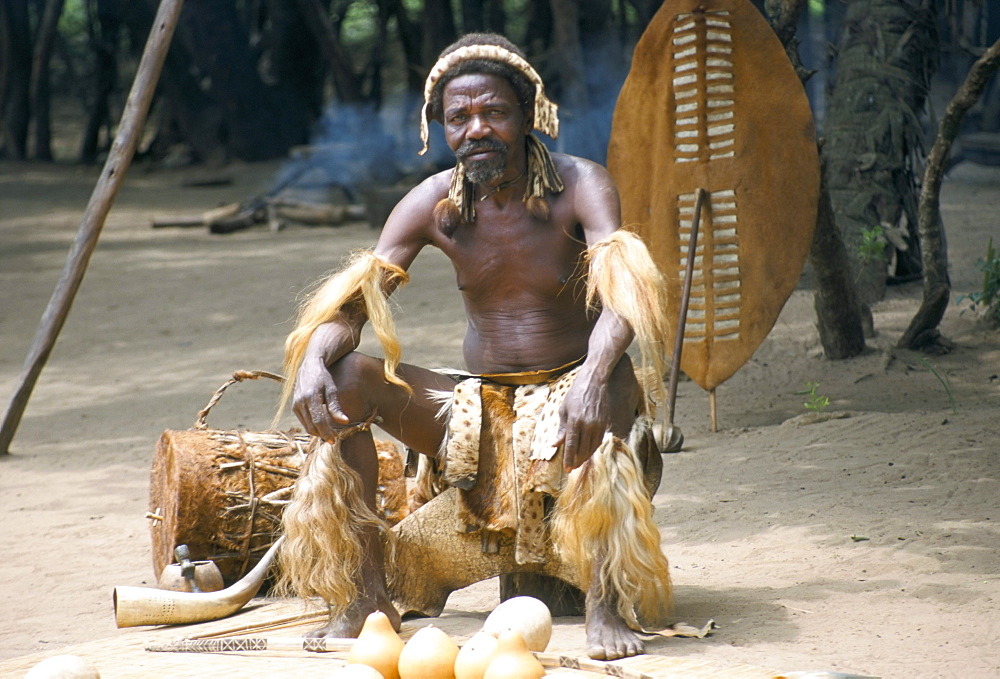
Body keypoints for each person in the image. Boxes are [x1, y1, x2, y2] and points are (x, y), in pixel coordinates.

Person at [278, 33, 672, 660]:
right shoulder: (432, 202)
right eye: (459, 117)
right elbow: (352, 308)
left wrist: (593, 378)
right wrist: (312, 363)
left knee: (618, 373)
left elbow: (624, 294)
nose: (477, 128)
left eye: (494, 112)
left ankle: (606, 602)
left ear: (527, 116)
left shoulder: (580, 184)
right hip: (477, 412)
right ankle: (366, 596)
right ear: (440, 126)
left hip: (573, 394)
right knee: (347, 377)